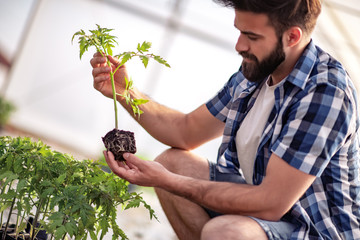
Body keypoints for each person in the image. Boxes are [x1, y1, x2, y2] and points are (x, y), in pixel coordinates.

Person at [90, 0, 360, 239]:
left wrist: (166, 181)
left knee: (226, 233)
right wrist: (126, 92)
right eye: (239, 31)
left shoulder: (326, 92)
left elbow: (271, 203)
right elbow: (185, 131)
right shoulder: (256, 72)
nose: (239, 46)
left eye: (251, 36)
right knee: (173, 163)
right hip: (273, 215)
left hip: (317, 229)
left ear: (292, 36)